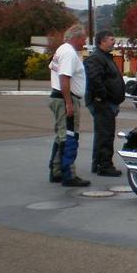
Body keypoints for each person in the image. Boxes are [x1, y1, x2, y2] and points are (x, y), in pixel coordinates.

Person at [48, 23, 90, 187]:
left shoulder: (61, 50)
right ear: (76, 37)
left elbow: (53, 69)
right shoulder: (69, 53)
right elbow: (64, 77)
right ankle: (68, 174)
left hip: (59, 96)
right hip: (66, 98)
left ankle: (56, 170)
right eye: (83, 38)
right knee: (70, 136)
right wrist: (69, 103)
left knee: (62, 135)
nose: (84, 42)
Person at [84, 29, 125, 176]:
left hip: (108, 102)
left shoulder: (106, 57)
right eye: (110, 39)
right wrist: (104, 96)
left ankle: (98, 163)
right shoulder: (96, 58)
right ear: (102, 41)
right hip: (103, 103)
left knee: (103, 133)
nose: (114, 41)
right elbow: (95, 79)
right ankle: (105, 165)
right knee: (105, 134)